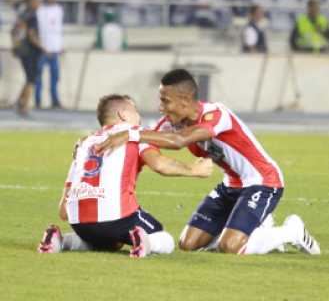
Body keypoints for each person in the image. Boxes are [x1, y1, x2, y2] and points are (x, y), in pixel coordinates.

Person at [94, 69, 320, 256]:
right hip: (231, 185)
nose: (161, 107)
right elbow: (147, 142)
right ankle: (255, 228)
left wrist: (131, 134)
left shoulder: (216, 114)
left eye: (165, 100)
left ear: (185, 100)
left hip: (262, 181)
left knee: (230, 247)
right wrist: (94, 146)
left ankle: (291, 231)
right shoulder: (171, 123)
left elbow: (178, 141)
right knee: (187, 244)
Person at [37, 94, 214, 258]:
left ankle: (60, 240)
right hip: (117, 217)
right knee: (163, 238)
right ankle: (145, 242)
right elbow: (160, 165)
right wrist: (194, 170)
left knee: (110, 243)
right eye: (135, 110)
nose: (139, 115)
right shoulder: (135, 133)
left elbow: (63, 212)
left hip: (79, 222)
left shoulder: (84, 143)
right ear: (123, 115)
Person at [11, 0, 43, 117]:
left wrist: (15, 45)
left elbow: (14, 32)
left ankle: (20, 101)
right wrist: (42, 46)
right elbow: (31, 34)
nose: (39, 3)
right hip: (30, 51)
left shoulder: (22, 14)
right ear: (31, 1)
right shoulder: (32, 16)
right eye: (37, 1)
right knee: (31, 79)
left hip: (22, 50)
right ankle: (24, 106)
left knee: (29, 78)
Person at [35, 0, 63, 109]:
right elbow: (41, 29)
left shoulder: (59, 9)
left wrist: (59, 45)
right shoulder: (40, 10)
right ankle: (38, 101)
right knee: (38, 76)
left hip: (55, 48)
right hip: (42, 49)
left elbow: (58, 29)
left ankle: (55, 101)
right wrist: (43, 46)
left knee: (55, 77)